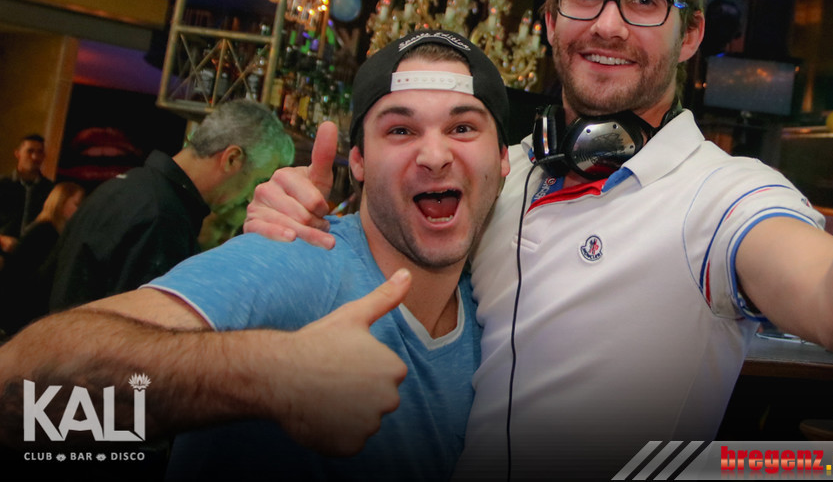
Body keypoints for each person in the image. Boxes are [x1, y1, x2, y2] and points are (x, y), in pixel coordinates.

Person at [245, 0, 833, 478]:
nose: (609, 24)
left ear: (690, 36)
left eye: (645, 2)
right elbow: (384, 251)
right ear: (550, 20)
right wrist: (299, 219)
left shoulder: (719, 197)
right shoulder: (499, 170)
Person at [0, 31, 511, 481]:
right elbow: (19, 389)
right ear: (358, 161)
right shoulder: (298, 260)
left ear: (505, 157)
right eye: (400, 130)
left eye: (463, 127)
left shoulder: (495, 318)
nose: (435, 155)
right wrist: (273, 373)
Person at [48, 99, 294, 311]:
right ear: (232, 159)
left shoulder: (129, 186)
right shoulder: (163, 216)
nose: (251, 196)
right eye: (258, 180)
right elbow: (139, 334)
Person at [0, 182, 83, 337]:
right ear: (60, 203)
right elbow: (32, 281)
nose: (80, 211)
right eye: (77, 204)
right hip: (20, 314)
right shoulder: (45, 233)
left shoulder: (47, 230)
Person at [0, 134, 54, 253]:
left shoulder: (50, 190)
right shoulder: (3, 184)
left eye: (40, 152)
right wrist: (2, 239)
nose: (35, 157)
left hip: (34, 256)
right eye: (30, 151)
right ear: (18, 154)